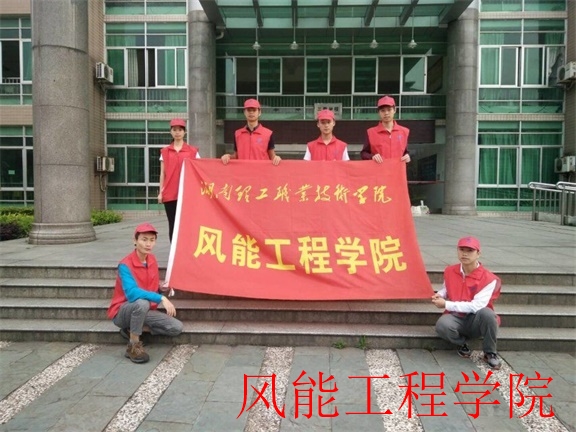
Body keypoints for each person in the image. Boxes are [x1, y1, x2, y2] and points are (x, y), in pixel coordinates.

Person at [107, 223, 183, 364]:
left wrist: (162, 288)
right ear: (135, 241)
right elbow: (132, 293)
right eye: (144, 239)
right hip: (123, 311)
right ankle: (133, 346)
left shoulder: (152, 259)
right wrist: (161, 298)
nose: (148, 244)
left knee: (176, 328)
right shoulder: (125, 265)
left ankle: (131, 330)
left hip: (145, 310)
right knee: (142, 303)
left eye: (152, 240)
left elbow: (150, 286)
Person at [432, 236, 502, 370]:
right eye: (462, 250)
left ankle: (490, 352)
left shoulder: (489, 279)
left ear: (478, 254)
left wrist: (446, 304)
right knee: (442, 325)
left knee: (488, 314)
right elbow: (446, 288)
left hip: (477, 319)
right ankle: (462, 343)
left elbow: (476, 306)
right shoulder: (450, 271)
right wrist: (440, 294)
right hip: (456, 316)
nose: (465, 254)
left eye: (470, 250)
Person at [158, 118, 200, 242]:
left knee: (187, 223)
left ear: (184, 132)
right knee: (172, 223)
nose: (177, 132)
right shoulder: (165, 151)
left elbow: (199, 171)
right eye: (174, 130)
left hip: (187, 193)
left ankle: (186, 249)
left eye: (180, 130)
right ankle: (174, 250)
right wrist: (161, 192)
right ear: (170, 132)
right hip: (170, 193)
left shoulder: (193, 151)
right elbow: (162, 173)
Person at [221, 99, 281, 165]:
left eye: (254, 110)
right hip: (243, 171)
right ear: (244, 112)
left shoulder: (268, 134)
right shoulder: (237, 134)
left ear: (259, 112)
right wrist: (228, 156)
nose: (251, 112)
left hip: (261, 171)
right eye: (249, 110)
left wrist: (276, 158)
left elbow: (272, 156)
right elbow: (236, 156)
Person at [361, 95, 411, 164]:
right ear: (379, 112)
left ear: (395, 110)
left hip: (397, 170)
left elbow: (405, 152)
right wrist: (372, 157)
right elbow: (363, 153)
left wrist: (407, 157)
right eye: (383, 110)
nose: (386, 113)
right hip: (379, 170)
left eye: (389, 110)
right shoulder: (371, 132)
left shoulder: (404, 132)